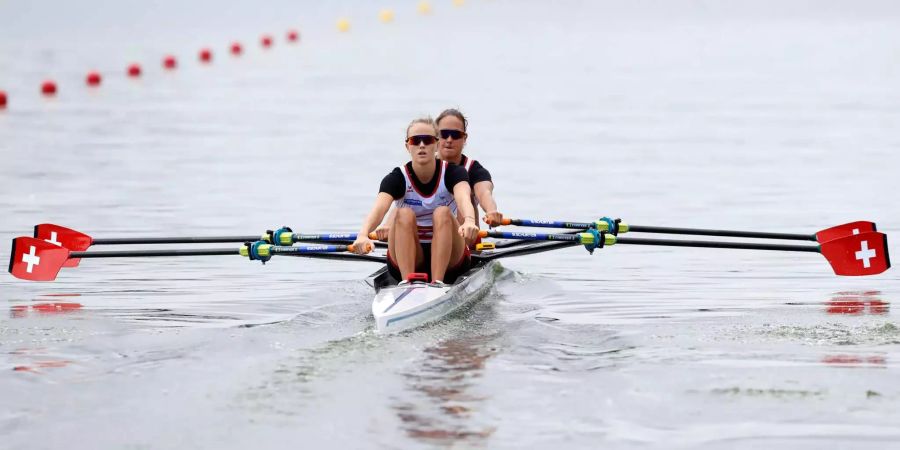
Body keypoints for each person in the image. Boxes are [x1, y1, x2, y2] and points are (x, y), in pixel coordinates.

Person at [352, 117, 480, 286]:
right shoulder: (397, 178)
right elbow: (378, 209)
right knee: (403, 213)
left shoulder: (454, 173)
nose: (421, 145)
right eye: (415, 140)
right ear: (408, 146)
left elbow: (464, 198)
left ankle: (438, 282)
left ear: (436, 144)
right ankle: (407, 282)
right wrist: (363, 235)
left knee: (442, 212)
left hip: (449, 256)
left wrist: (470, 221)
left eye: (427, 140)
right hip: (410, 253)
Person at [435, 109, 502, 230]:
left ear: (464, 138)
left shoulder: (474, 170)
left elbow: (484, 193)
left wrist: (491, 211)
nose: (449, 140)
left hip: (464, 237)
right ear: (435, 136)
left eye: (455, 135)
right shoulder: (422, 166)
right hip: (426, 235)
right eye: (444, 134)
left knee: (467, 197)